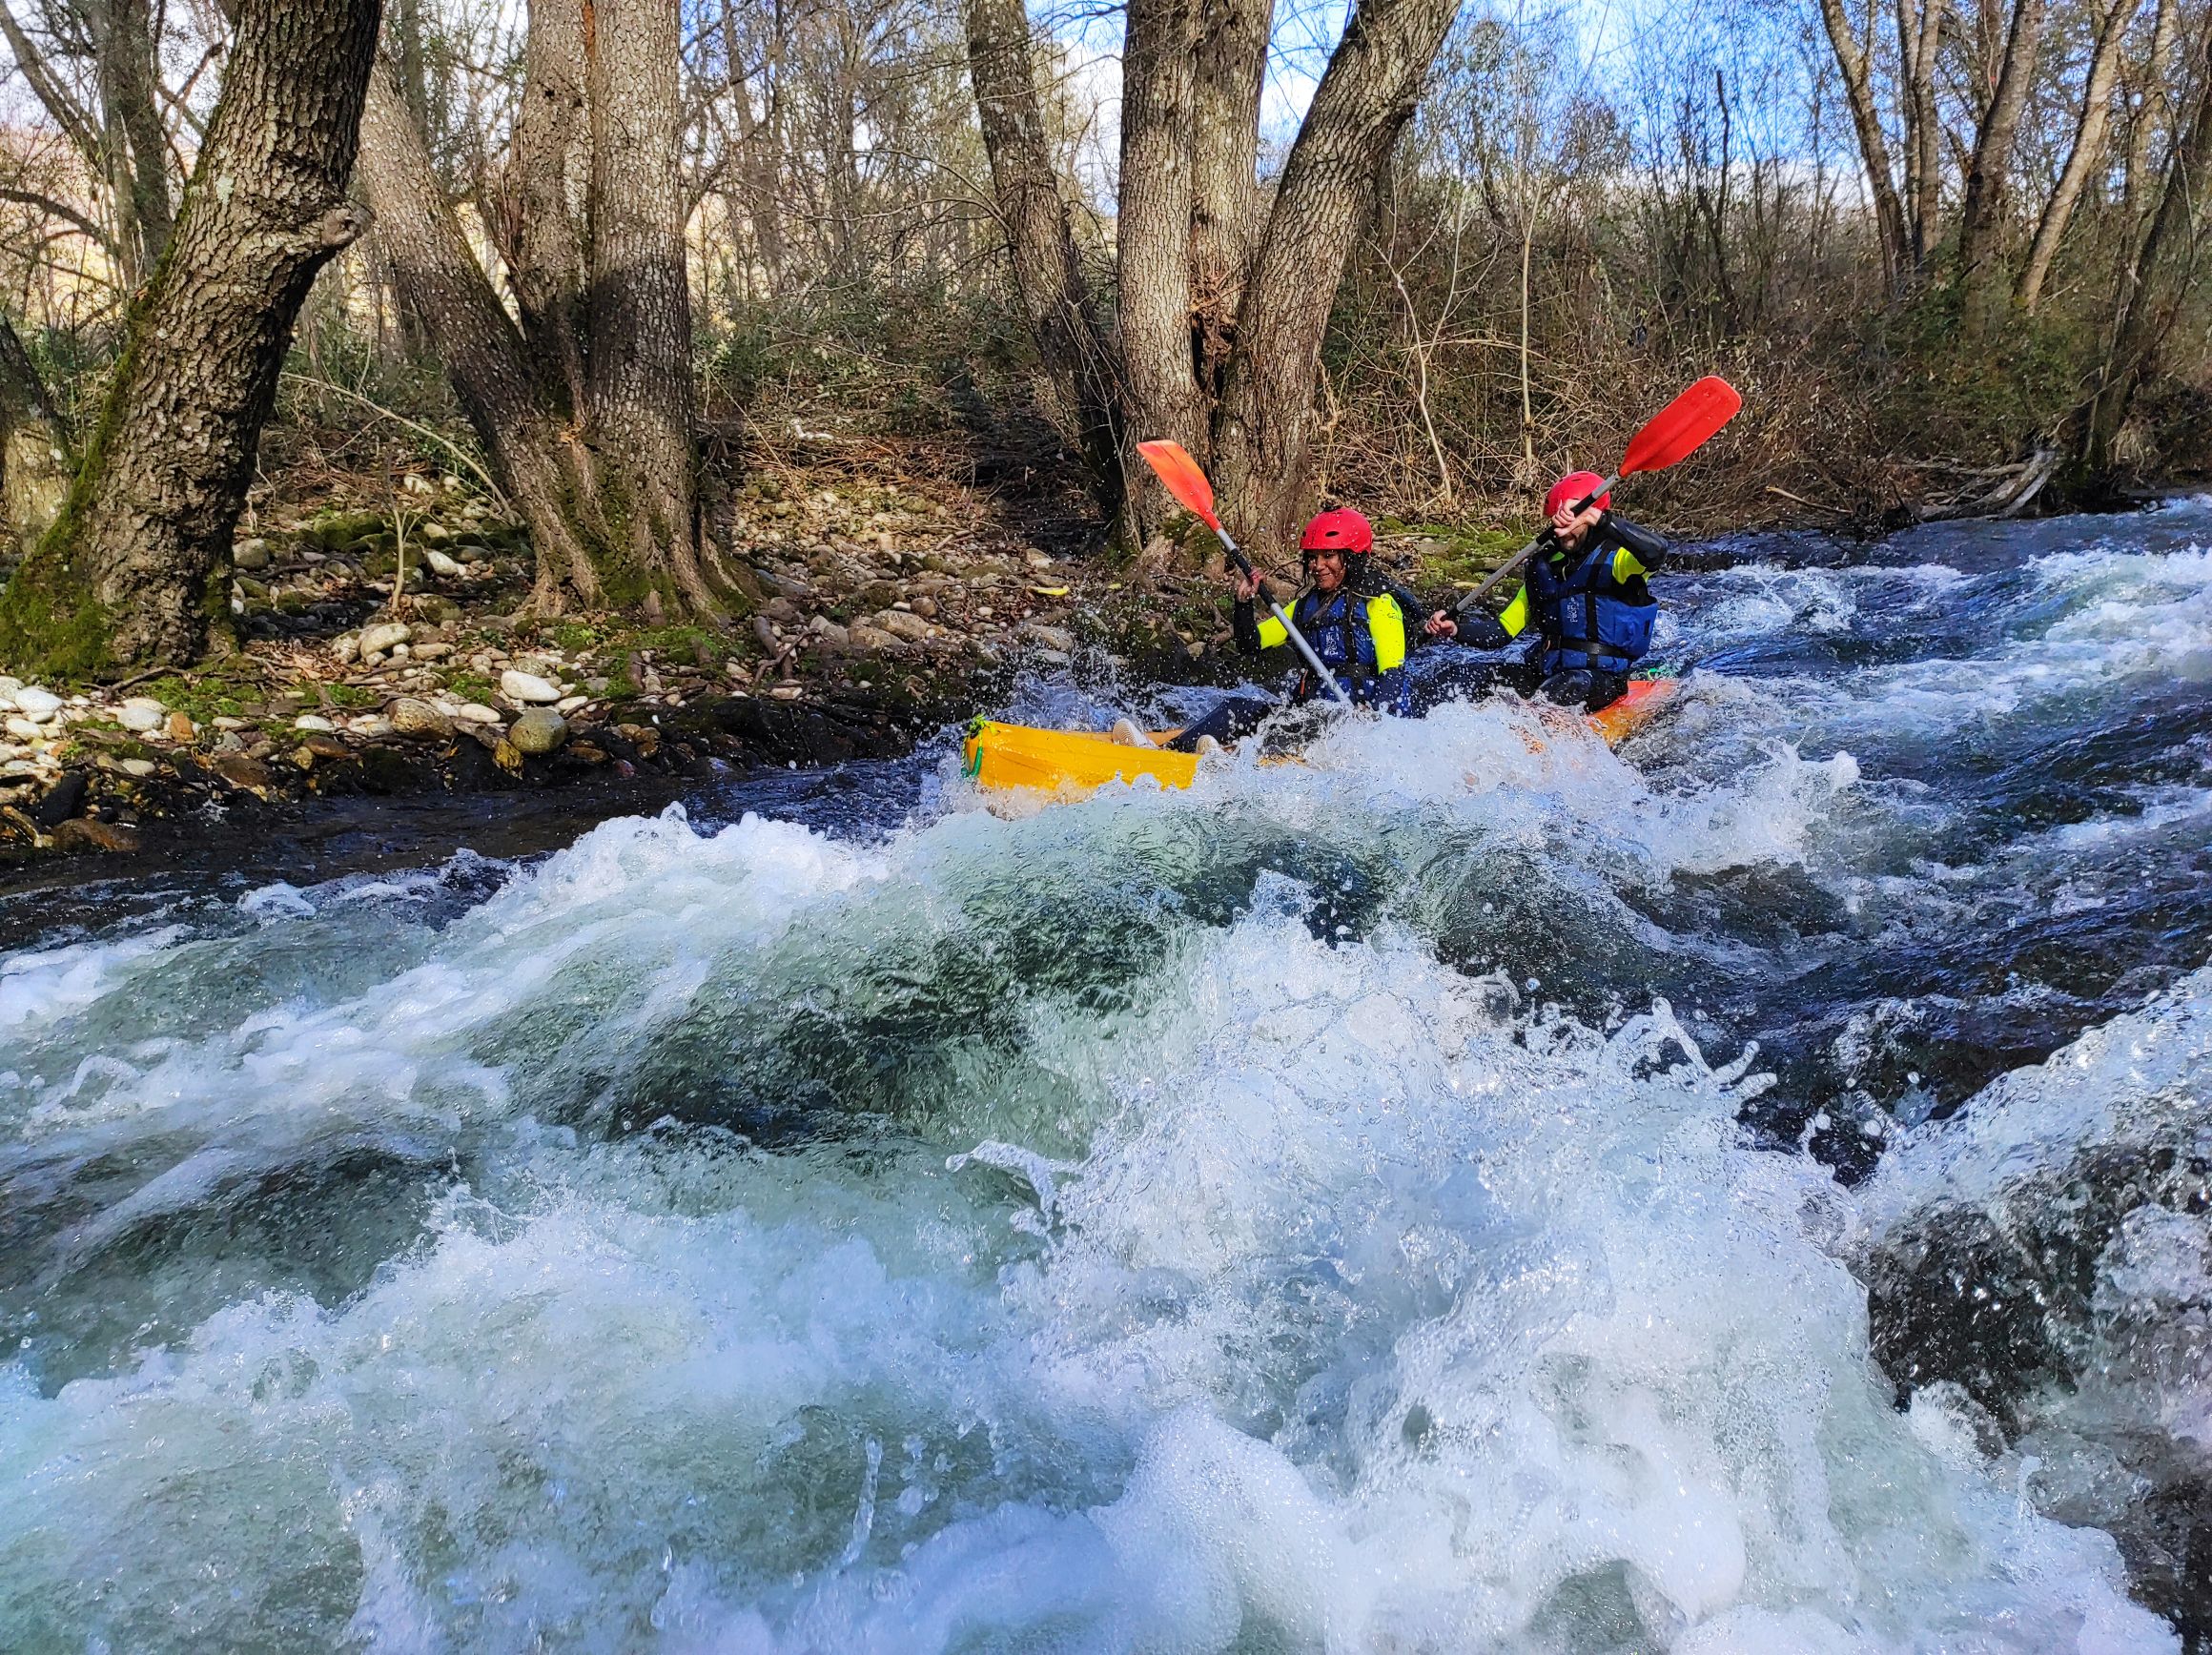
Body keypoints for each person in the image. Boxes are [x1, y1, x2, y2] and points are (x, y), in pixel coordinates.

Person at [1152, 507, 1412, 754]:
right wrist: (1244, 604)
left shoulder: (1379, 605)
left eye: (1328, 556)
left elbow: (1393, 674)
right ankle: (1168, 751)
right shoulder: (1304, 608)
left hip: (1352, 722)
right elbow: (1250, 644)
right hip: (1311, 714)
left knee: (1288, 731)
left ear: (1352, 558)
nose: (1317, 565)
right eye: (1312, 557)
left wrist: (1372, 719)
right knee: (1237, 708)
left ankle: (1229, 755)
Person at [1422, 471, 1669, 713]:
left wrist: (1600, 520)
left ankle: (1531, 738)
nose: (1563, 528)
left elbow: (1657, 551)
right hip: (1546, 675)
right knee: (1459, 677)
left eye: (1573, 518)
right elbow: (1502, 631)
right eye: (1557, 517)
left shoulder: (1618, 560)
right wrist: (1456, 630)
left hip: (1599, 681)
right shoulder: (1543, 569)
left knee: (1569, 684)